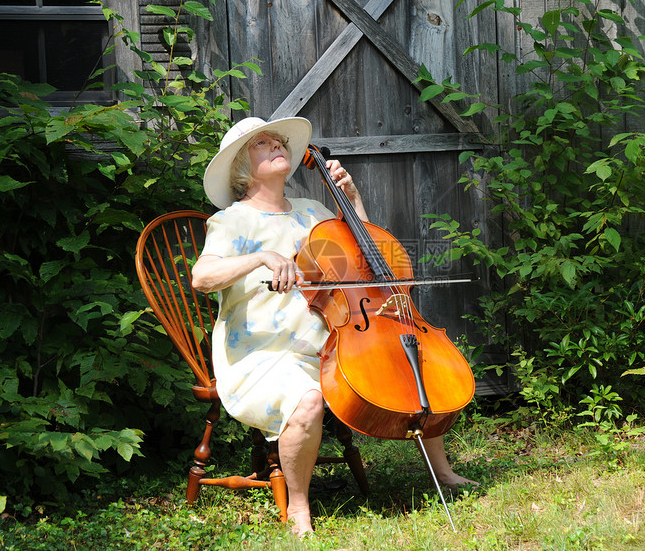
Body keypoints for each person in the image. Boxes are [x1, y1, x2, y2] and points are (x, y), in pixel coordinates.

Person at [191, 116, 476, 537]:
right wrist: (261, 258)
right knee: (306, 401)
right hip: (265, 353)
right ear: (241, 168)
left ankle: (445, 473)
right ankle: (299, 506)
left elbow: (365, 251)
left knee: (408, 357)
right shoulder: (232, 222)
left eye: (278, 140)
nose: (277, 146)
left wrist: (352, 199)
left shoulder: (313, 212)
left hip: (332, 336)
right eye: (262, 144)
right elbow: (201, 277)